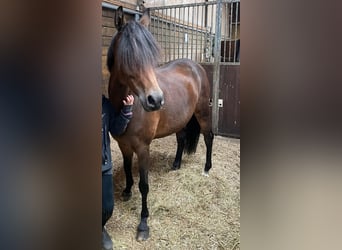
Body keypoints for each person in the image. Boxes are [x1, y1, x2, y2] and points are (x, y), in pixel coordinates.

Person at [102, 94, 134, 250]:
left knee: (107, 207)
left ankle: (100, 228)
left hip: (103, 165)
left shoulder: (104, 104)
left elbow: (116, 128)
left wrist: (126, 110)